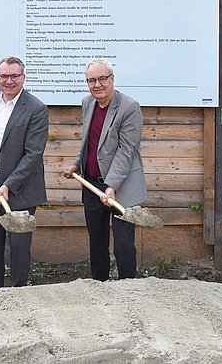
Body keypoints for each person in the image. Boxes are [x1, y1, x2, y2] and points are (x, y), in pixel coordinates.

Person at [62, 58, 146, 281]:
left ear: (112, 79)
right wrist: (77, 163)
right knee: (96, 241)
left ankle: (128, 287)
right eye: (91, 80)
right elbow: (92, 141)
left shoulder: (129, 107)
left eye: (102, 79)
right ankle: (99, 286)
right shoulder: (88, 102)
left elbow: (126, 151)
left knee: (123, 243)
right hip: (92, 184)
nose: (97, 84)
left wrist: (111, 186)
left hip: (122, 186)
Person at [0, 56, 49, 288]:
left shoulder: (36, 109)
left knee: (18, 244)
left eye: (15, 76)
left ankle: (17, 292)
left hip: (21, 187)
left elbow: (33, 154)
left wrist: (9, 185)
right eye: (4, 76)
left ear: (23, 78)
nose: (9, 81)